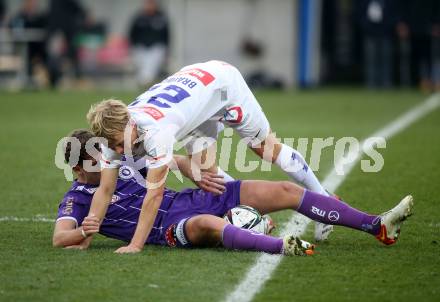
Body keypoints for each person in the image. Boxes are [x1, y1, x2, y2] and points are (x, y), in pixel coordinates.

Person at [84, 60, 405, 253]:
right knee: (209, 180)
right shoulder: (121, 130)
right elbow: (106, 188)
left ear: (127, 124)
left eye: (118, 143)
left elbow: (154, 195)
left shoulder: (156, 131)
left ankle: (322, 198)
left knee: (263, 148)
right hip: (196, 100)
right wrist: (89, 230)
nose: (119, 150)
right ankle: (247, 215)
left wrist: (136, 245)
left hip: (223, 85)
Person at [53, 129, 413, 255]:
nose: (107, 164)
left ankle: (375, 225)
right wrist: (83, 231)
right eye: (97, 162)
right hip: (168, 230)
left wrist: (198, 174)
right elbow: (59, 238)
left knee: (285, 189)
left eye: (106, 156)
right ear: (77, 169)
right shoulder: (78, 198)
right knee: (209, 223)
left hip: (187, 199)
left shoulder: (123, 165)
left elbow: (173, 160)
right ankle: (282, 246)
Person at [128, 0, 169, 87]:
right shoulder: (139, 17)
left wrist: (167, 50)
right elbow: (132, 33)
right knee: (140, 67)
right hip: (141, 47)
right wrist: (132, 46)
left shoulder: (161, 18)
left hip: (156, 47)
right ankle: (143, 84)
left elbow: (166, 35)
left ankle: (146, 84)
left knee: (150, 68)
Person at [8, 0, 47, 86]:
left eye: (34, 3)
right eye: (30, 3)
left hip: (37, 51)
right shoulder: (19, 17)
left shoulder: (41, 18)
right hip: (21, 50)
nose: (32, 5)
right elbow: (12, 30)